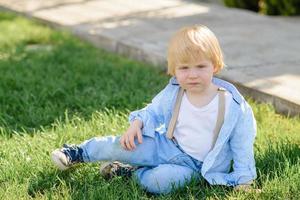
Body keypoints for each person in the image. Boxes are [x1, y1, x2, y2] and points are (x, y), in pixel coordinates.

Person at [51, 25, 258, 194]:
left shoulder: (232, 105)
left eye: (200, 67)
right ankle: (79, 152)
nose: (192, 75)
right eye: (184, 68)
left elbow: (242, 145)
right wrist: (137, 123)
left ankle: (127, 172)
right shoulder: (175, 92)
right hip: (166, 145)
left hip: (197, 167)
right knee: (123, 146)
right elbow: (152, 111)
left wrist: (244, 179)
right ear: (174, 70)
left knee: (162, 182)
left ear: (215, 65)